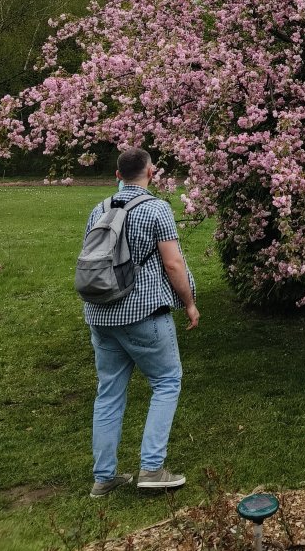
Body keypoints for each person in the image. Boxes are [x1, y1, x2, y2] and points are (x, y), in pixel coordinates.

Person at [82, 148, 200, 498]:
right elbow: (173, 264)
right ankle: (152, 468)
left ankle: (104, 478)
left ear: (117, 176)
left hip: (101, 315)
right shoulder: (157, 209)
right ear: (152, 173)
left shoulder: (99, 209)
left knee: (109, 393)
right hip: (143, 313)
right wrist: (190, 304)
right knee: (166, 381)